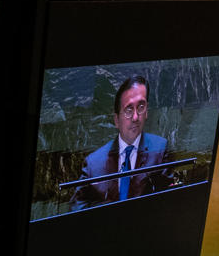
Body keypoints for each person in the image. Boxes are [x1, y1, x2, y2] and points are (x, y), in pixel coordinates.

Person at [70, 74, 175, 209]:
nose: (136, 117)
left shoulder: (160, 149)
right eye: (128, 110)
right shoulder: (93, 164)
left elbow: (168, 204)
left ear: (147, 112)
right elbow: (77, 212)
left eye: (141, 107)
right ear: (116, 120)